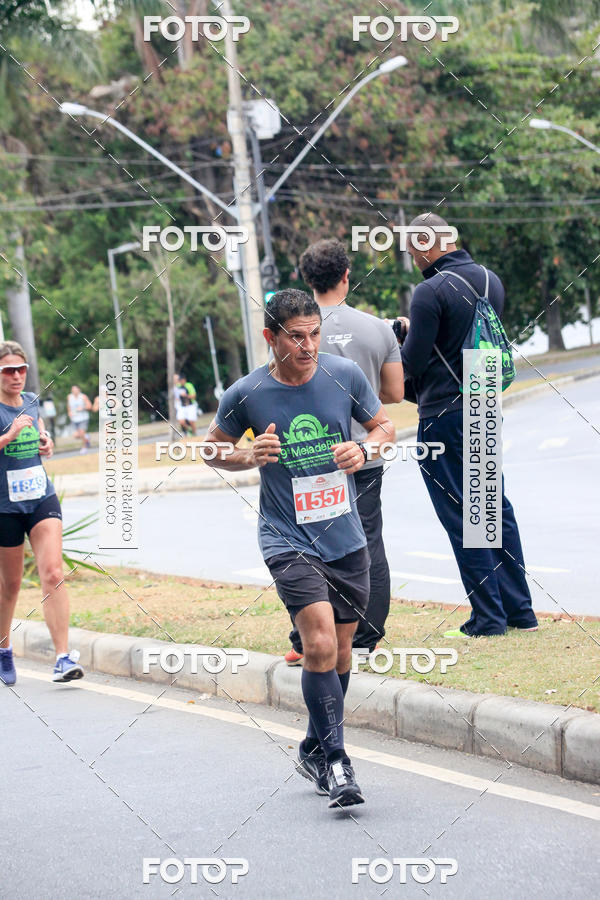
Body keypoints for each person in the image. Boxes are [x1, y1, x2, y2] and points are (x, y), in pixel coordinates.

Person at [204, 289, 393, 808]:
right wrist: (247, 455)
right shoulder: (248, 392)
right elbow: (212, 449)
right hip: (287, 538)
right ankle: (336, 761)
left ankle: (314, 742)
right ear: (271, 337)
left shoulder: (344, 375)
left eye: (315, 334)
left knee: (341, 654)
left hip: (346, 536)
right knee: (317, 645)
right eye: (296, 336)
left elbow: (384, 426)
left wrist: (365, 447)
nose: (308, 346)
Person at [398, 212, 538, 638]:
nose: (411, 259)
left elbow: (411, 365)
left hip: (442, 413)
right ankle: (520, 612)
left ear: (427, 245)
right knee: (492, 506)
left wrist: (400, 336)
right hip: (481, 401)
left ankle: (488, 618)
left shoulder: (428, 291)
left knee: (462, 512)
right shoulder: (490, 280)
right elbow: (468, 339)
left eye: (411, 251)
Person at [282, 239, 404, 666]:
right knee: (367, 540)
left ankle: (307, 640)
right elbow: (394, 394)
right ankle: (366, 636)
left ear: (307, 281)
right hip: (366, 449)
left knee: (310, 545)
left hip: (313, 454)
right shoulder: (379, 328)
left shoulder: (293, 332)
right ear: (347, 275)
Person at [0, 341, 84, 685]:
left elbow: (40, 438)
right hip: (4, 506)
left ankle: (62, 658)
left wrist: (46, 443)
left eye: (21, 369)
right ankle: (4, 649)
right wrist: (10, 435)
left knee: (52, 572)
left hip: (40, 498)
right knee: (11, 585)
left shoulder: (32, 402)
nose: (17, 376)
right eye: (9, 371)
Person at [67, 384, 92, 453]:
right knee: (76, 435)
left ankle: (84, 448)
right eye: (73, 390)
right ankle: (86, 437)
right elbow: (68, 406)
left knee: (81, 432)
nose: (74, 391)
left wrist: (82, 408)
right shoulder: (69, 397)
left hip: (83, 418)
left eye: (75, 389)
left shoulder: (83, 397)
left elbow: (90, 406)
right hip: (74, 419)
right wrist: (69, 412)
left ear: (79, 390)